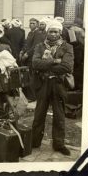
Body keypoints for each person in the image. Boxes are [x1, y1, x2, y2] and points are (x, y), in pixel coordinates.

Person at [32, 20, 74, 155]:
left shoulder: (67, 47)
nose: (53, 34)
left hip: (58, 84)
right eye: (51, 31)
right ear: (47, 32)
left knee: (59, 115)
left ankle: (59, 144)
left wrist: (47, 64)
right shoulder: (40, 46)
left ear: (60, 33)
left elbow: (67, 67)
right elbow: (35, 64)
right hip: (43, 83)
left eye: (56, 31)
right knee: (39, 114)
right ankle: (34, 141)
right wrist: (56, 61)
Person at [20, 18, 43, 101]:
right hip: (26, 58)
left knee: (31, 77)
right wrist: (22, 51)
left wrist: (27, 54)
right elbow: (26, 44)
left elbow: (35, 46)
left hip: (32, 58)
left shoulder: (38, 33)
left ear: (37, 24)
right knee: (26, 77)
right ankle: (28, 95)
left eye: (33, 23)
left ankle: (32, 97)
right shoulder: (30, 33)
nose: (31, 25)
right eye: (30, 23)